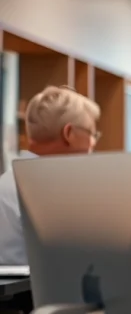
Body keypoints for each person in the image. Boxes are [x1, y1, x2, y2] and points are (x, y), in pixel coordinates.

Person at [0, 86, 100, 265]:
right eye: (92, 133)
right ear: (68, 133)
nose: (93, 142)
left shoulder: (6, 183)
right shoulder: (56, 193)